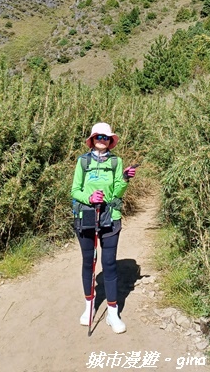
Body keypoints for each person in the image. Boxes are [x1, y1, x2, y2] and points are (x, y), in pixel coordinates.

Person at [71, 122, 136, 334]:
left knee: (109, 265)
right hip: (86, 217)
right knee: (88, 263)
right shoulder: (82, 162)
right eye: (98, 136)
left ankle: (112, 312)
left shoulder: (117, 162)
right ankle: (89, 307)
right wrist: (89, 198)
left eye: (106, 137)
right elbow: (75, 191)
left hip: (111, 217)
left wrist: (125, 179)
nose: (102, 140)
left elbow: (117, 192)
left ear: (110, 141)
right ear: (92, 138)